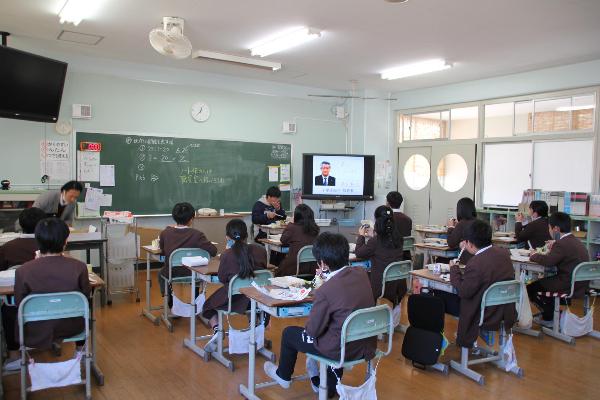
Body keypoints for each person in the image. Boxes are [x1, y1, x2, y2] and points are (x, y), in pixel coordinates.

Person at [263, 232, 376, 398]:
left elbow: (312, 331)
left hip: (340, 349)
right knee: (335, 328)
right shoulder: (361, 273)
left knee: (289, 333)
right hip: (365, 344)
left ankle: (283, 375)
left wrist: (323, 285)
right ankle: (325, 385)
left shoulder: (326, 291)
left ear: (323, 263)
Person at [3, 218, 91, 371]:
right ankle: (81, 351)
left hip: (33, 330)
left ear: (38, 241)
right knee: (86, 305)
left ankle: (15, 357)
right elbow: (85, 295)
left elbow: (19, 302)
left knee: (8, 309)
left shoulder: (24, 270)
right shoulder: (79, 267)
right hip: (72, 326)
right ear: (65, 241)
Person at [202, 219, 267, 352]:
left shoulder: (227, 254)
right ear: (246, 235)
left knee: (208, 306)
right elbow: (263, 272)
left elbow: (222, 278)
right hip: (258, 299)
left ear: (227, 237)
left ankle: (217, 330)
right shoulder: (260, 250)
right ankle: (253, 328)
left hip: (234, 300)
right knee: (249, 296)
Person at [449, 219, 516, 348]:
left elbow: (464, 291)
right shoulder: (504, 254)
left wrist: (454, 270)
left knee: (440, 298)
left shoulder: (476, 263)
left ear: (470, 243)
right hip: (504, 309)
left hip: (484, 312)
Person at [527, 212, 589, 327]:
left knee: (530, 288)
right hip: (582, 284)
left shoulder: (561, 244)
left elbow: (548, 262)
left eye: (550, 228)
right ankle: (551, 315)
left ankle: (550, 317)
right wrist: (556, 244)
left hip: (567, 283)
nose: (549, 231)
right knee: (545, 284)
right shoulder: (576, 241)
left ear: (556, 228)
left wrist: (534, 254)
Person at [158, 202, 217, 311]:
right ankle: (194, 301)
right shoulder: (197, 235)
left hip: (172, 272)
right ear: (191, 219)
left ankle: (170, 299)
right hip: (194, 272)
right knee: (197, 271)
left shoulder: (165, 233)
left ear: (174, 217)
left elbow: (162, 251)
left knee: (160, 273)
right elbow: (213, 251)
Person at [355, 206, 405, 310]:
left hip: (381, 286)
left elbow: (359, 253)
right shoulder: (399, 239)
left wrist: (361, 236)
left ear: (376, 220)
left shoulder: (375, 241)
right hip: (398, 285)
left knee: (360, 278)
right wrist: (374, 235)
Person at [276, 204, 320, 277]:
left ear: (297, 216)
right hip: (312, 268)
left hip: (294, 267)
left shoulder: (292, 227)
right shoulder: (315, 229)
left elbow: (282, 240)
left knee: (278, 270)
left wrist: (290, 223)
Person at [447, 197, 478, 264]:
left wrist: (451, 227)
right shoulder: (479, 222)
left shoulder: (462, 223)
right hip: (480, 259)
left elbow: (451, 243)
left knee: (440, 259)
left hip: (466, 260)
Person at [386, 191, 413, 261]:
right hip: (405, 258)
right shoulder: (408, 219)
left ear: (387, 203)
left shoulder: (386, 219)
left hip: (389, 257)